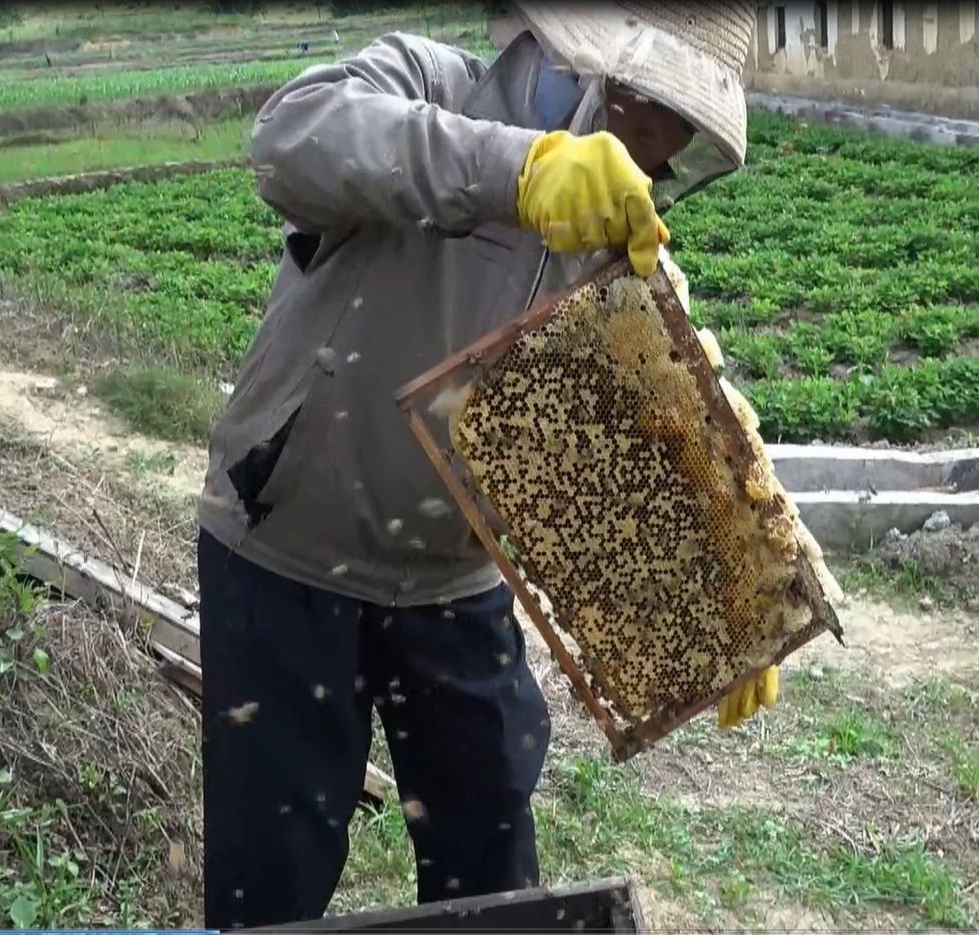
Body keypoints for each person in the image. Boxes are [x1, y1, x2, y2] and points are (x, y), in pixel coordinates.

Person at [195, 2, 762, 928]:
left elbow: (605, 448)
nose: (667, 138)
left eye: (688, 122)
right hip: (287, 550)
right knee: (273, 877)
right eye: (657, 103)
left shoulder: (619, 224)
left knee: (492, 861)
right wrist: (518, 170)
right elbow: (286, 142)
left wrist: (716, 597)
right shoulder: (429, 83)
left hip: (454, 580)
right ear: (593, 70)